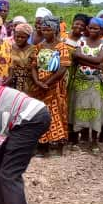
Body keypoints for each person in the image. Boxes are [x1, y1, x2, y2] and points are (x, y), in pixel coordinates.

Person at [29, 17, 71, 155]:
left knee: (56, 114)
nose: (45, 32)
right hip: (39, 87)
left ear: (55, 31)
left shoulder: (61, 47)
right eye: (43, 29)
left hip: (55, 86)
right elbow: (34, 66)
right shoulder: (39, 47)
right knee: (40, 115)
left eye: (48, 30)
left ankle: (58, 145)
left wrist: (46, 83)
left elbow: (62, 69)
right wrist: (37, 82)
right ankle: (42, 145)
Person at [70, 17, 103, 151]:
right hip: (81, 80)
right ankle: (84, 139)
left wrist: (82, 58)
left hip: (96, 81)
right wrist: (97, 65)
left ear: (101, 30)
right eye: (90, 27)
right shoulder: (82, 41)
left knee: (95, 109)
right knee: (81, 108)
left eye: (95, 28)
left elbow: (99, 59)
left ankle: (94, 142)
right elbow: (76, 58)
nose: (92, 30)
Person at [7, 22, 37, 95]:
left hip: (27, 83)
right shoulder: (9, 47)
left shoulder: (33, 49)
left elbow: (34, 67)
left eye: (22, 37)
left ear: (28, 37)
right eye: (17, 36)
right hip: (11, 81)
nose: (19, 39)